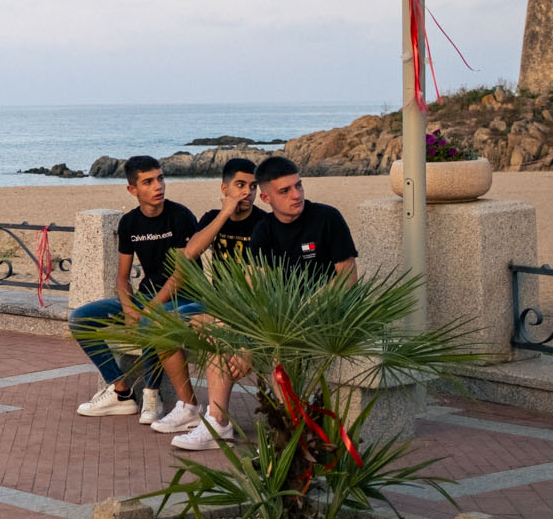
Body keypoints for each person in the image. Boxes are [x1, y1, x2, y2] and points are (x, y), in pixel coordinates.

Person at [172, 154, 359, 452]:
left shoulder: (327, 218)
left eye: (298, 186)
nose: (296, 195)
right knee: (214, 328)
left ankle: (287, 437)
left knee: (277, 353)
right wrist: (241, 336)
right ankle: (217, 423)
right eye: (285, 191)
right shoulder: (264, 230)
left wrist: (251, 345)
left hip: (324, 315)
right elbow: (252, 289)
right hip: (276, 317)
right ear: (266, 197)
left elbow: (347, 278)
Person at [71, 156, 204, 429]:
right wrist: (129, 307)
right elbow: (122, 277)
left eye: (160, 178)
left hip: (185, 298)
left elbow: (180, 275)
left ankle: (152, 394)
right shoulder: (129, 223)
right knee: (80, 319)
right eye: (148, 182)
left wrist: (149, 309)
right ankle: (120, 390)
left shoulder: (180, 216)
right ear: (132, 189)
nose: (158, 186)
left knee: (149, 321)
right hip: (146, 298)